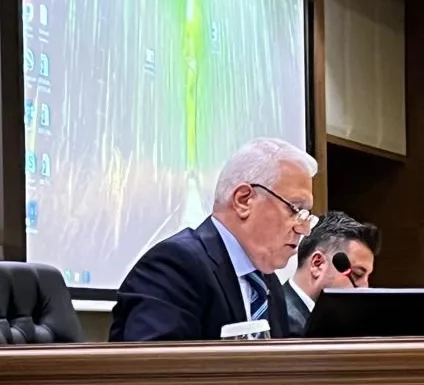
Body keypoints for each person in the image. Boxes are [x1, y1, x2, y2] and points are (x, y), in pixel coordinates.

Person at [110, 138, 317, 342]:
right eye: (295, 209)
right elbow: (155, 361)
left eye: (307, 215)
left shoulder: (269, 285)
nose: (304, 229)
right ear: (243, 200)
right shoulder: (175, 266)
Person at [282, 211, 379, 337]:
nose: (365, 287)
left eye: (368, 277)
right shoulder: (276, 318)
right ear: (317, 264)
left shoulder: (338, 322)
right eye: (357, 274)